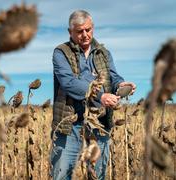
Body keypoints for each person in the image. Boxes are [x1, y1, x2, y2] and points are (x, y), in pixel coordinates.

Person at [50, 10, 136, 180]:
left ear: (93, 28)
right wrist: (101, 96)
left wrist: (121, 84)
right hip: (70, 123)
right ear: (70, 32)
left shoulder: (104, 53)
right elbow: (69, 83)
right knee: (61, 174)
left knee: (97, 174)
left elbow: (113, 76)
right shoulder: (61, 53)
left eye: (88, 30)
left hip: (100, 122)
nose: (85, 35)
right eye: (79, 31)